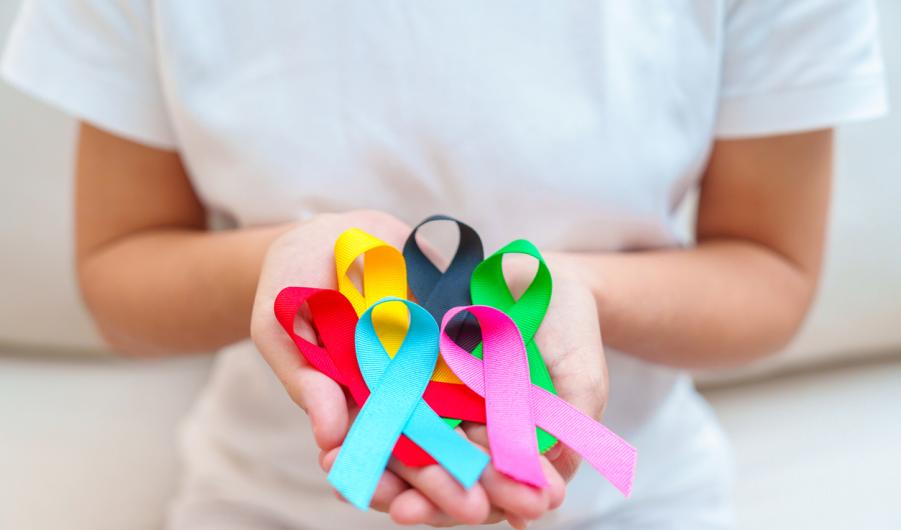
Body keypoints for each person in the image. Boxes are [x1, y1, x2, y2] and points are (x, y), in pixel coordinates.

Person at [2, 1, 888, 528]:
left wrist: (581, 290)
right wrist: (288, 278)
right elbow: (120, 278)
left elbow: (769, 270)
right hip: (267, 503)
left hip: (631, 504)